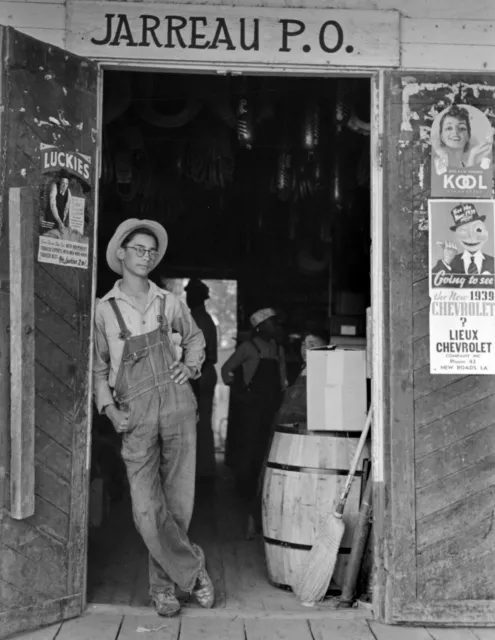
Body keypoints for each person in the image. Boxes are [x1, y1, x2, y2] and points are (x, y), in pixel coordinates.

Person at [93, 218, 215, 617]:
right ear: (121, 254)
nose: (145, 256)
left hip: (177, 407)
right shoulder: (105, 310)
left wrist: (191, 367)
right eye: (138, 249)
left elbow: (195, 339)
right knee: (148, 510)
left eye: (151, 251)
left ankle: (163, 589)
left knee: (177, 506)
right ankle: (194, 571)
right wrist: (109, 409)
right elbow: (98, 367)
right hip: (136, 414)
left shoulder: (169, 302)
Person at [221, 308, 287, 531]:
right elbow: (226, 369)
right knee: (248, 447)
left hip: (271, 406)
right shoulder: (248, 348)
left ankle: (261, 487)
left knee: (265, 447)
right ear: (260, 327)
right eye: (271, 323)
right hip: (251, 407)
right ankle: (244, 489)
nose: (275, 327)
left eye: (275, 323)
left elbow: (283, 379)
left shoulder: (278, 349)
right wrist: (238, 391)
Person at [185, 278, 218, 482]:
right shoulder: (199, 318)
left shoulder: (200, 320)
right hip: (202, 374)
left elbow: (200, 354)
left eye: (190, 295)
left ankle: (202, 470)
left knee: (199, 423)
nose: (187, 298)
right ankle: (201, 468)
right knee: (200, 422)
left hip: (201, 374)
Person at [432, 202, 494, 278]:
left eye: (478, 230)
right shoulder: (450, 262)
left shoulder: (492, 262)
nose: (471, 237)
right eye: (463, 231)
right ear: (457, 236)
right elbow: (433, 282)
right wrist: (447, 260)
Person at [433, 105, 492, 175]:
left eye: (462, 128)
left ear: (468, 136)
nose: (455, 132)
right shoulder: (437, 161)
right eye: (448, 128)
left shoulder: (471, 160)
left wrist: (472, 156)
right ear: (441, 136)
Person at [42, 170, 72, 235]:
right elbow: (53, 205)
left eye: (66, 184)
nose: (64, 186)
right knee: (48, 235)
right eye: (63, 183)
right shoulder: (54, 186)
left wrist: (62, 221)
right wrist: (59, 221)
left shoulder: (68, 193)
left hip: (60, 220)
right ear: (60, 182)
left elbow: (66, 209)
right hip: (50, 218)